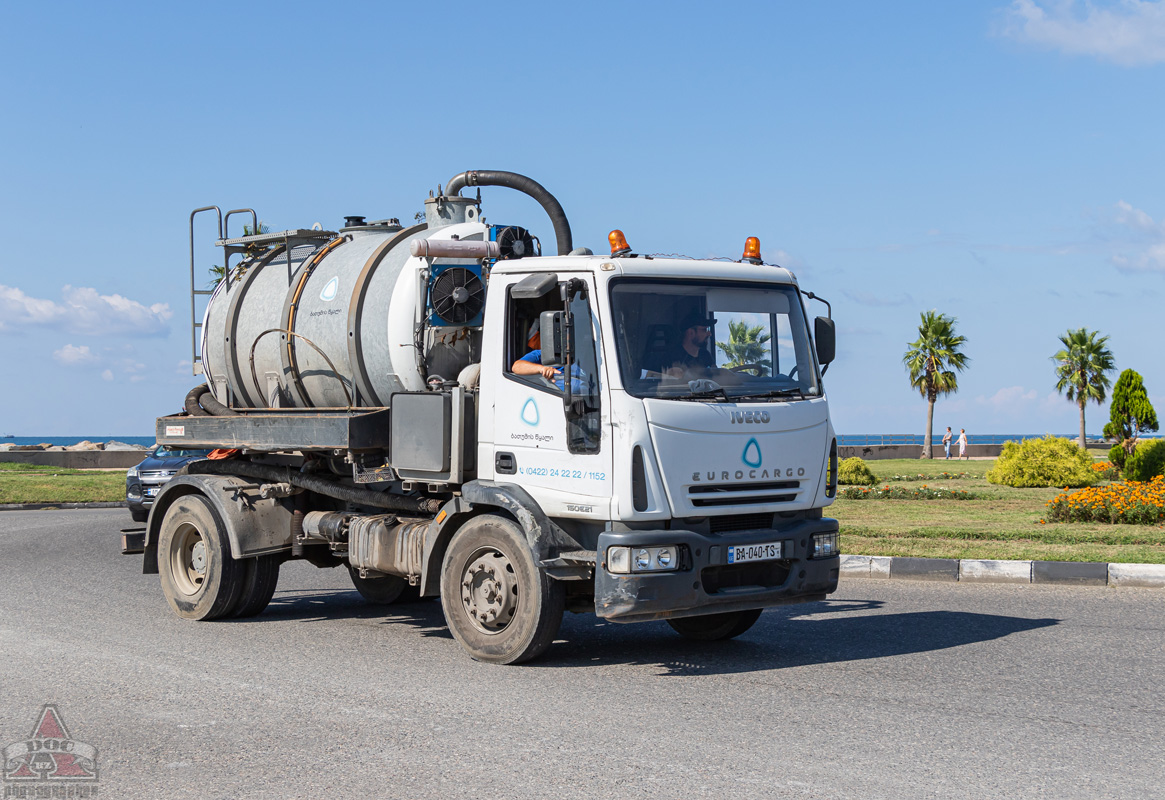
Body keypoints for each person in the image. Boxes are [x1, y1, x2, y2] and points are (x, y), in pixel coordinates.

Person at [511, 320, 587, 393]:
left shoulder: (590, 356)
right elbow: (517, 366)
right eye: (568, 332)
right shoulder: (544, 354)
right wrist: (543, 369)